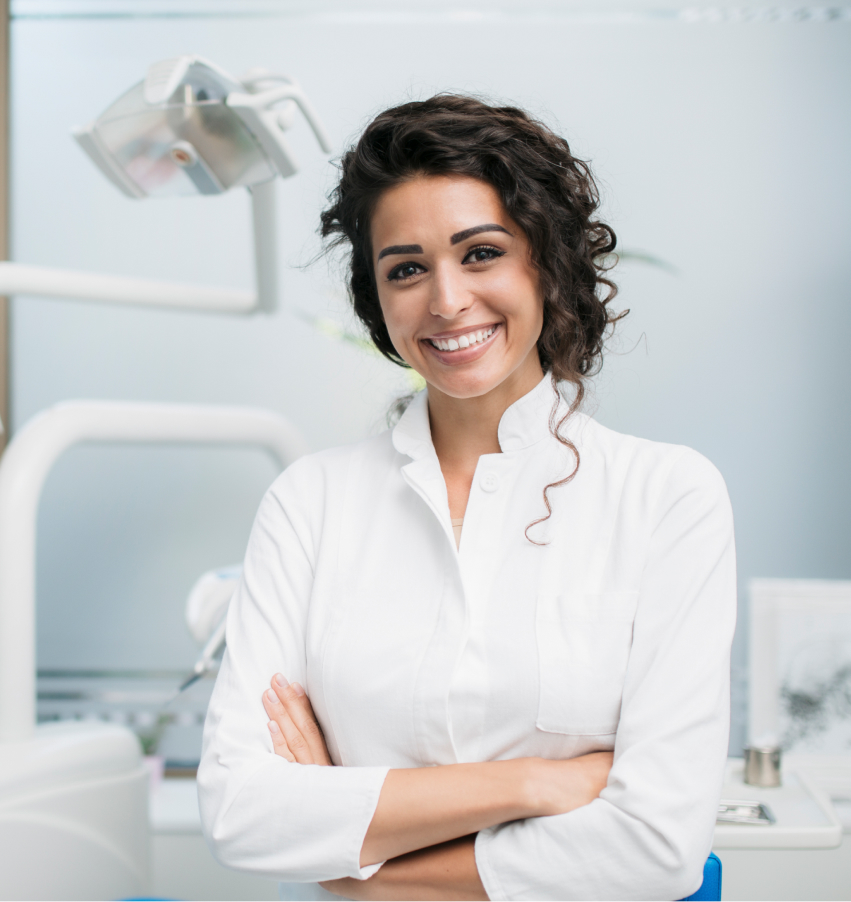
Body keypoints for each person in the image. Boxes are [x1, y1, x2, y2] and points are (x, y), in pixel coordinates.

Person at [198, 94, 737, 901]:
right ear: (376, 299)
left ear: (545, 264)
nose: (446, 301)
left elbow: (656, 846)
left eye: (480, 253)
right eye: (406, 268)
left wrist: (361, 875)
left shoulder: (666, 497)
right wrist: (530, 784)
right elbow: (241, 812)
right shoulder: (310, 503)